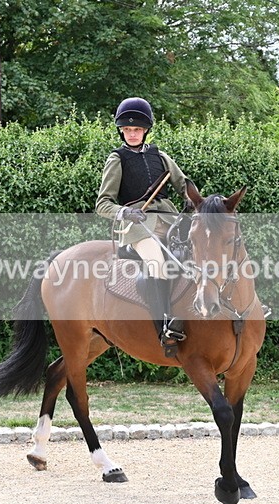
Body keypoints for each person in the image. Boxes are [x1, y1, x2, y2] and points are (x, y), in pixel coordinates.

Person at [95, 97, 188, 357]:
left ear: (145, 130)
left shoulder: (161, 156)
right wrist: (126, 211)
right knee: (156, 263)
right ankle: (165, 329)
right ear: (121, 131)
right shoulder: (117, 159)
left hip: (170, 222)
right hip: (138, 228)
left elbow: (184, 185)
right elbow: (103, 203)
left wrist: (195, 201)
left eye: (136, 130)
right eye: (127, 130)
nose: (132, 134)